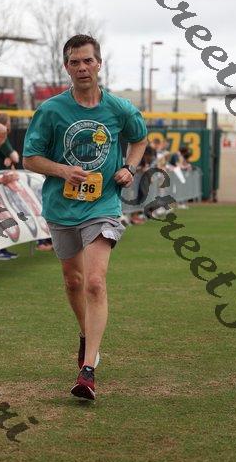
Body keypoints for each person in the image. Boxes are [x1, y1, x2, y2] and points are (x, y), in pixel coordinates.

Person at [23, 34, 147, 400]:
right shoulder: (51, 110)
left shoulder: (119, 108)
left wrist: (129, 167)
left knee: (94, 281)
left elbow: (140, 139)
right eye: (74, 62)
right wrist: (63, 170)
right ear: (66, 67)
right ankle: (86, 333)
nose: (82, 68)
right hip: (61, 206)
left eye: (87, 61)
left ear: (99, 64)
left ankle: (88, 369)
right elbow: (30, 158)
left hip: (102, 205)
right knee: (73, 281)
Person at [0, 112, 21, 260]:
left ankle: (0, 249)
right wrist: (11, 156)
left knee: (1, 214)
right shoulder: (1, 136)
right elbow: (15, 157)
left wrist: (10, 159)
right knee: (0, 215)